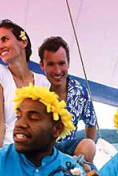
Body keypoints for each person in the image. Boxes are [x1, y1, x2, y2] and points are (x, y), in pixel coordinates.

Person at [0, 19, 49, 156]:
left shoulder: (44, 83)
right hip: (8, 152)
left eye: (5, 39)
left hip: (34, 153)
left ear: (23, 42)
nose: (0, 47)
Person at [38, 36, 97, 169]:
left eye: (61, 63)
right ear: (42, 65)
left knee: (89, 147)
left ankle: (80, 166)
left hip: (69, 149)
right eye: (51, 64)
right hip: (42, 150)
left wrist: (88, 155)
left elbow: (91, 122)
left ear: (68, 63)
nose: (57, 71)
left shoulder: (80, 91)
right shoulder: (36, 90)